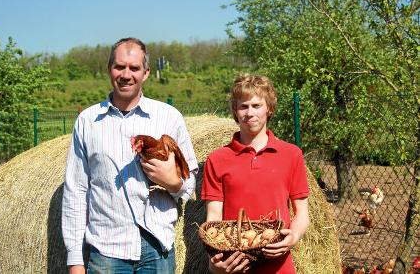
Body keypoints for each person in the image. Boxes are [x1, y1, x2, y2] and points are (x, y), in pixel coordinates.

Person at [62, 37, 198, 274]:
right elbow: (76, 191)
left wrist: (173, 183)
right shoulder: (87, 122)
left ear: (145, 73)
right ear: (109, 70)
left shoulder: (169, 117)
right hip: (107, 251)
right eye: (119, 67)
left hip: (158, 249)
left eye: (134, 68)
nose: (126, 74)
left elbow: (190, 183)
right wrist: (75, 260)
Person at [201, 73, 310, 274]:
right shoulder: (217, 159)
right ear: (235, 111)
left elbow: (302, 212)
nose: (249, 113)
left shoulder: (291, 155)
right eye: (243, 106)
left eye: (256, 105)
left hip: (279, 266)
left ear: (269, 108)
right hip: (235, 265)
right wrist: (215, 263)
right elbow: (213, 217)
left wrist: (293, 237)